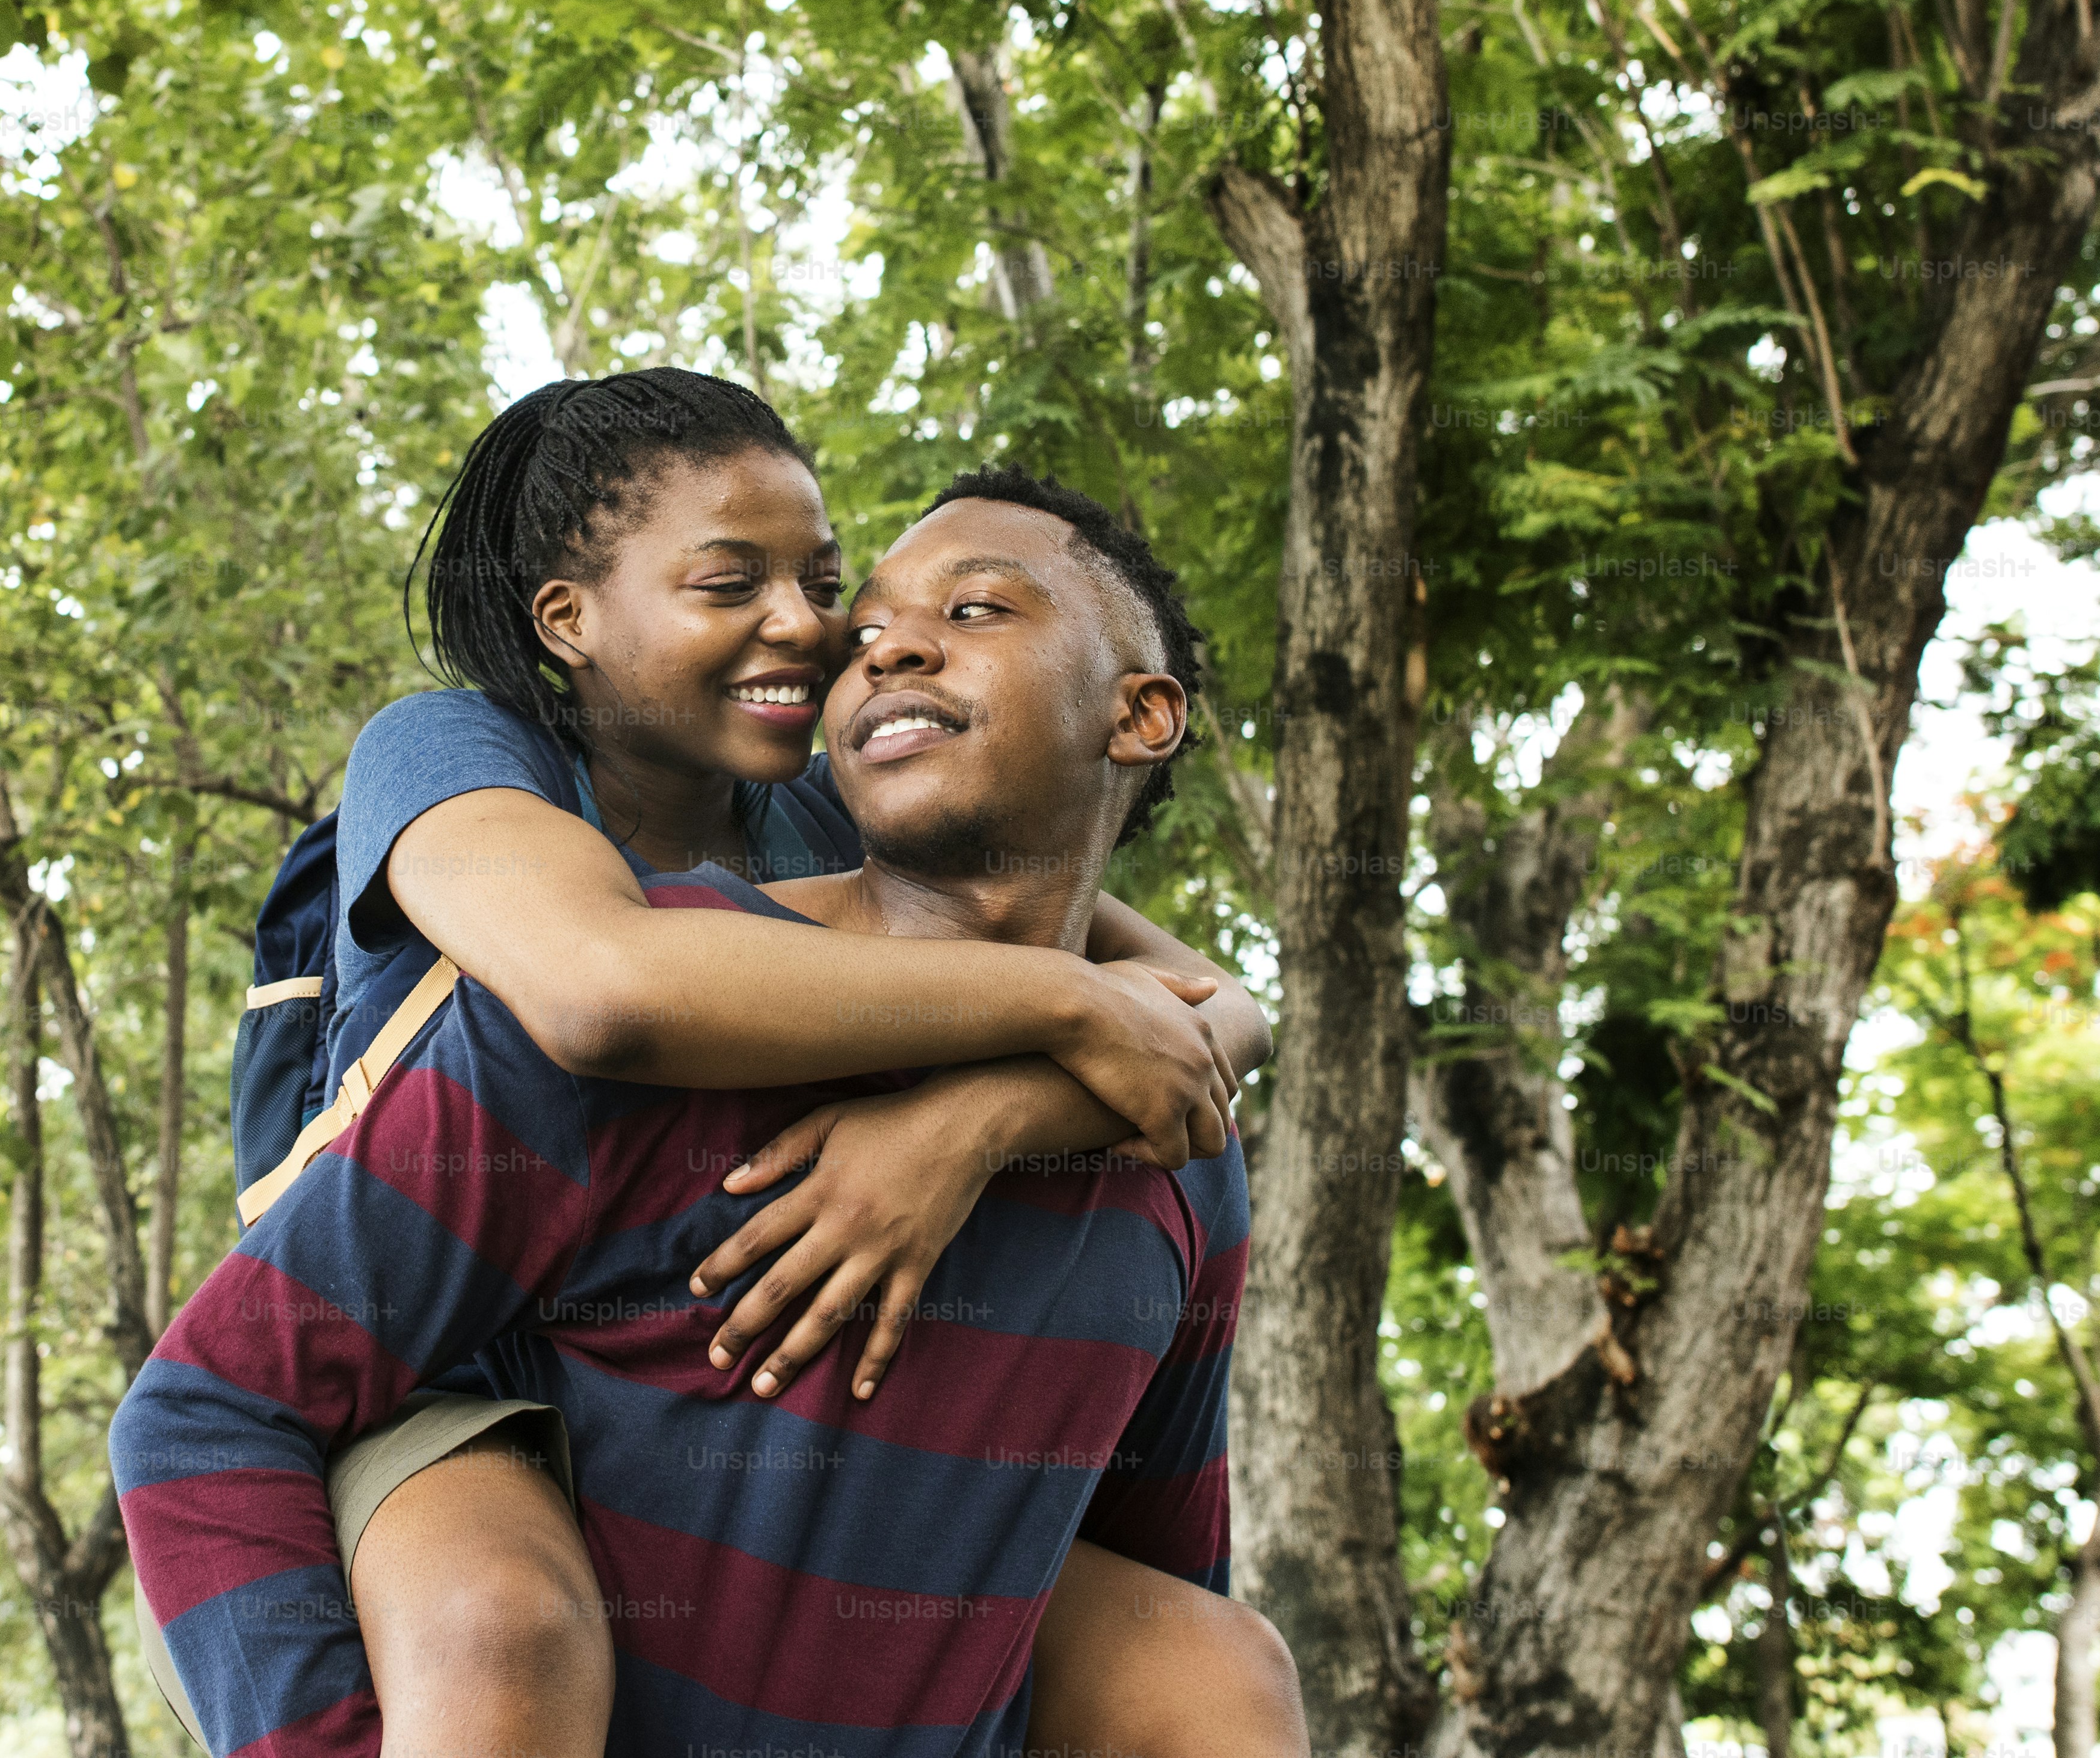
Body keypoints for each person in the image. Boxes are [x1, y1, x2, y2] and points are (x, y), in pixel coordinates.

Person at [114, 466, 1305, 1758]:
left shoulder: (1170, 1136)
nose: (868, 640)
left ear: (1140, 714)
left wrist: (989, 1110)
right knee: (490, 1624)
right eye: (865, 626)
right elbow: (206, 1412)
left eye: (974, 611)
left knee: (1213, 1671)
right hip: (467, 1536)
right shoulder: (568, 908)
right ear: (566, 619)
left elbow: (1154, 1580)